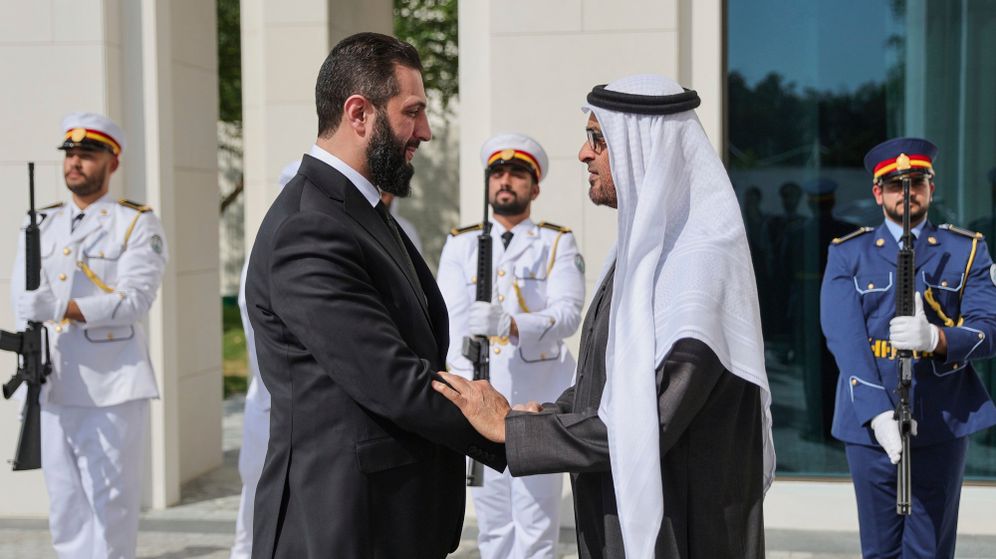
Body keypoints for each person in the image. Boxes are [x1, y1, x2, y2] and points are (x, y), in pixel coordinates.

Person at [434, 74, 775, 558]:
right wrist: (544, 411)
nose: (583, 154)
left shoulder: (697, 270)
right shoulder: (646, 251)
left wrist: (514, 429)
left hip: (684, 530)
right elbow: (609, 380)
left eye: (598, 139)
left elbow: (647, 421)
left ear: (644, 150)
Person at [244, 32, 505, 559]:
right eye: (412, 112)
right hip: (343, 526)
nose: (425, 132)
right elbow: (389, 377)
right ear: (359, 114)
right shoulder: (310, 228)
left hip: (386, 520)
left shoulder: (359, 213)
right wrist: (510, 430)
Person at [820, 138, 996, 558]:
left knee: (929, 549)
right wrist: (877, 412)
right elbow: (844, 338)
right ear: (878, 192)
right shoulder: (849, 254)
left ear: (930, 189)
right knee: (879, 550)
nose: (907, 192)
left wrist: (936, 338)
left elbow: (989, 329)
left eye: (917, 182)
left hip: (940, 416)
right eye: (895, 184)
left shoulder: (966, 250)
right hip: (870, 421)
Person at [11, 112, 167, 558]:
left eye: (87, 154)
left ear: (112, 163)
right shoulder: (40, 223)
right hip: (52, 383)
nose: (75, 162)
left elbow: (135, 300)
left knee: (111, 503)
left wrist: (63, 307)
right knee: (65, 505)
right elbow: (25, 304)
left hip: (111, 384)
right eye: (70, 154)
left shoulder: (135, 224)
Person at [436, 133, 585, 559]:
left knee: (537, 525)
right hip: (480, 400)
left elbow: (568, 314)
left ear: (534, 187)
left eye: (518, 174)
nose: (506, 181)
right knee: (495, 526)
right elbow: (450, 319)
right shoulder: (462, 243)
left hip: (536, 404)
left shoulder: (556, 241)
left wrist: (512, 325)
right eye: (498, 173)